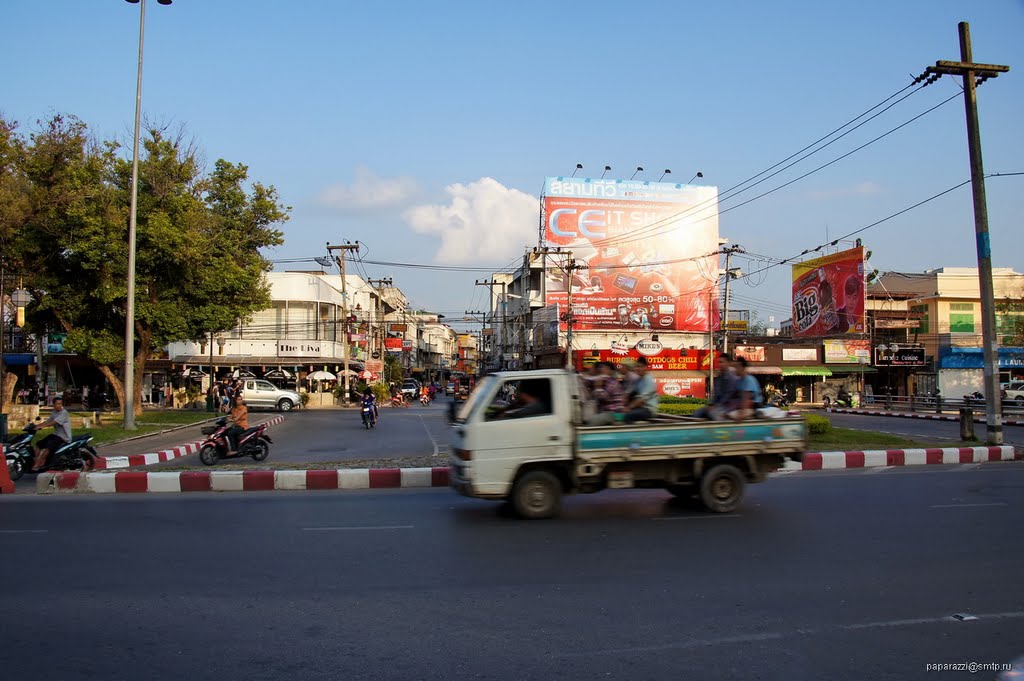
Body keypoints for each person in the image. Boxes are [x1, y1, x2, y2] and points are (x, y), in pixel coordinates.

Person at [32, 397, 72, 471]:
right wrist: (37, 426)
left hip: (63, 437)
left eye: (60, 403)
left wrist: (43, 426)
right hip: (56, 434)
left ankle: (37, 465)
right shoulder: (54, 412)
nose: (59, 405)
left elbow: (53, 422)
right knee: (38, 445)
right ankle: (34, 462)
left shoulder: (64, 413)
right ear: (53, 404)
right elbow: (48, 421)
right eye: (57, 404)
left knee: (48, 447)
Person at [695, 354, 737, 420]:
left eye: (722, 362)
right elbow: (715, 394)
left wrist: (716, 406)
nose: (720, 364)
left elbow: (728, 395)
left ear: (728, 363)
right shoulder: (719, 377)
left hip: (728, 406)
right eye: (719, 362)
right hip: (718, 405)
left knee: (714, 414)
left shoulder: (732, 377)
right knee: (698, 412)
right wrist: (711, 404)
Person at [727, 356, 764, 421]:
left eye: (736, 367)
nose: (734, 369)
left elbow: (746, 398)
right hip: (743, 407)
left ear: (741, 367)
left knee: (731, 416)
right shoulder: (739, 381)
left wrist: (741, 414)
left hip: (755, 407)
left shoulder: (749, 380)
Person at [623, 357, 658, 423]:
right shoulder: (638, 380)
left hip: (648, 410)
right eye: (636, 367)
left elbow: (641, 400)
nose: (638, 369)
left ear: (646, 368)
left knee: (627, 416)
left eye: (640, 367)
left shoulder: (649, 381)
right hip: (639, 408)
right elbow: (629, 392)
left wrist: (628, 408)